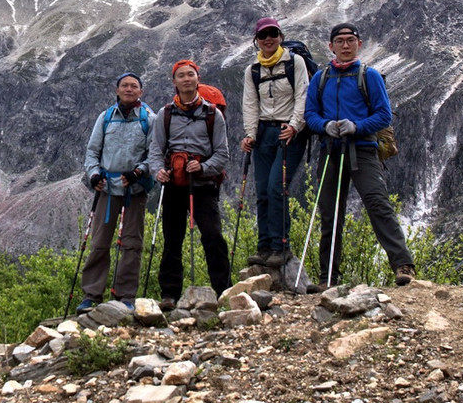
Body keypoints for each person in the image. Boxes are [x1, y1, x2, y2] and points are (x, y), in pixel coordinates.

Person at [304, 23, 416, 289]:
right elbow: (310, 115)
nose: (345, 45)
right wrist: (325, 126)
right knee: (330, 214)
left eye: (350, 40)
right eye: (340, 41)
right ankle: (327, 278)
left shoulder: (370, 76)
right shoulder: (320, 78)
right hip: (331, 150)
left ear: (359, 44)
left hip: (363, 149)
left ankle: (403, 266)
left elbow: (384, 115)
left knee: (377, 204)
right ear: (331, 46)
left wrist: (357, 126)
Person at [149, 60, 232, 310]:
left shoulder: (212, 114)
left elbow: (222, 153)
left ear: (198, 79)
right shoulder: (164, 114)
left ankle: (224, 290)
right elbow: (156, 150)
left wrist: (204, 167)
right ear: (174, 82)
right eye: (181, 76)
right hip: (174, 183)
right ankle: (169, 294)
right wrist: (158, 171)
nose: (186, 79)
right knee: (172, 239)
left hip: (203, 184)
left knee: (213, 236)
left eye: (190, 75)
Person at [76, 73, 153, 313]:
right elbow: (92, 151)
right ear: (117, 90)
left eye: (134, 86)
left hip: (135, 189)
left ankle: (126, 296)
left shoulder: (150, 118)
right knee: (99, 242)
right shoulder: (106, 117)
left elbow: (156, 154)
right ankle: (91, 295)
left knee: (132, 244)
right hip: (107, 189)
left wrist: (139, 172)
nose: (129, 89)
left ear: (141, 91)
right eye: (125, 86)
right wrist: (94, 174)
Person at [241, 17, 309, 268]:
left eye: (272, 34)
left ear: (280, 36)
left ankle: (281, 246)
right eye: (263, 35)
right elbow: (250, 104)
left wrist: (294, 125)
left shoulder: (295, 62)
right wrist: (250, 134)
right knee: (261, 191)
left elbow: (303, 95)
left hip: (288, 132)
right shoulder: (253, 70)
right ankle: (264, 247)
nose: (268, 39)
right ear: (256, 41)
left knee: (276, 188)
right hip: (263, 134)